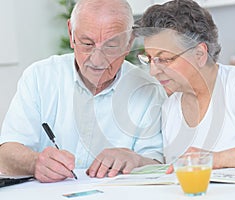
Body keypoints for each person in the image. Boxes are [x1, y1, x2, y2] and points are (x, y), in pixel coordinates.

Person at [0, 0, 166, 183]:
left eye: (111, 46)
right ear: (71, 34)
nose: (97, 60)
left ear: (129, 43)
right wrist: (34, 162)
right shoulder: (39, 77)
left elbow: (157, 163)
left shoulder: (148, 90)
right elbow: (6, 152)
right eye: (87, 44)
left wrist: (137, 160)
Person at [133, 0, 235, 170]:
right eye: (150, 59)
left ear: (200, 54)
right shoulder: (170, 106)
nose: (153, 71)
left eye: (165, 58)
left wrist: (214, 159)